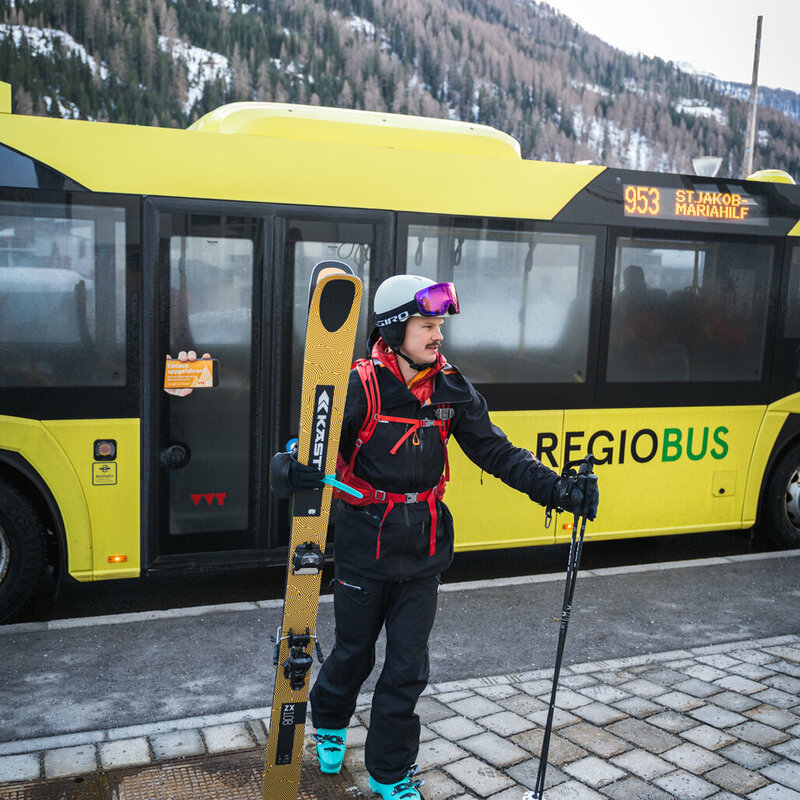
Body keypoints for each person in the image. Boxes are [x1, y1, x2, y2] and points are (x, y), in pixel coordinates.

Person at [270, 275, 599, 800]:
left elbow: (497, 452)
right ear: (396, 329)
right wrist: (292, 466)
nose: (438, 336)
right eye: (427, 326)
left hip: (422, 549)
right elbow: (314, 444)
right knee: (354, 653)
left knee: (407, 668)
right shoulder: (362, 385)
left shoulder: (450, 387)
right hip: (365, 543)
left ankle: (389, 773)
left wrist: (557, 491)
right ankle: (330, 723)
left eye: (440, 325)